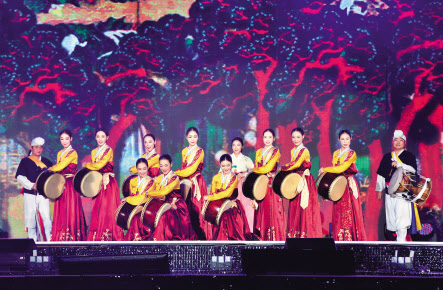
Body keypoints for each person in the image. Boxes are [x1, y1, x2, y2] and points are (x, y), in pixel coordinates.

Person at [319, 129, 366, 241]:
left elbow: (342, 168)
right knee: (338, 212)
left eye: (347, 139)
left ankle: (350, 239)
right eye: (342, 139)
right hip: (338, 184)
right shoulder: (336, 153)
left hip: (348, 185)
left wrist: (325, 169)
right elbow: (335, 170)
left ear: (350, 140)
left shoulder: (351, 153)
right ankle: (339, 238)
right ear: (339, 140)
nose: (345, 141)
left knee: (348, 212)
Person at [376, 130, 420, 242]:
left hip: (403, 194)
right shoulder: (387, 157)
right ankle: (398, 248)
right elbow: (381, 174)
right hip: (389, 194)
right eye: (396, 140)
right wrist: (379, 189)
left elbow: (413, 170)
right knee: (392, 222)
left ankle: (401, 250)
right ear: (393, 142)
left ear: (404, 143)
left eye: (401, 140)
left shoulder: (409, 156)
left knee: (402, 222)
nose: (398, 142)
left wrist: (399, 164)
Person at [281, 127, 322, 238]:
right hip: (295, 180)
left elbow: (296, 164)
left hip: (304, 181)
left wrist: (283, 168)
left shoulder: (304, 150)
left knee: (305, 208)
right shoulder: (293, 151)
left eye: (298, 137)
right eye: (293, 137)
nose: (295, 139)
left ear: (303, 137)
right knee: (295, 206)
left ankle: (306, 235)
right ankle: (295, 234)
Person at [85, 129, 123, 241]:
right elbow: (95, 169)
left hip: (108, 183)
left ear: (107, 137)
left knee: (107, 209)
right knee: (98, 208)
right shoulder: (93, 152)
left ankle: (109, 235)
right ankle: (97, 236)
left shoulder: (108, 150)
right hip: (98, 182)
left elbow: (99, 165)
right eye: (98, 136)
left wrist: (87, 165)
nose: (100, 139)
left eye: (103, 136)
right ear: (95, 138)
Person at [48, 129, 87, 241]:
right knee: (61, 209)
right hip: (60, 184)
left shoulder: (73, 153)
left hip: (70, 185)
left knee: (70, 209)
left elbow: (60, 167)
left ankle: (71, 237)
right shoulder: (59, 153)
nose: (64, 141)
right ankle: (60, 235)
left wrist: (48, 169)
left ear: (71, 139)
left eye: (66, 138)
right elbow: (58, 169)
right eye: (62, 139)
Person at [175, 127, 211, 240]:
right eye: (190, 137)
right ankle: (189, 235)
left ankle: (201, 236)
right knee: (186, 209)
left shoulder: (200, 151)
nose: (192, 139)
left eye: (195, 137)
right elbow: (184, 167)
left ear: (198, 137)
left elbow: (191, 170)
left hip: (197, 183)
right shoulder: (184, 151)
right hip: (186, 183)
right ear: (186, 138)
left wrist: (176, 173)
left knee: (196, 210)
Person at [149, 154, 197, 240]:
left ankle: (159, 240)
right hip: (163, 203)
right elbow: (158, 191)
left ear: (171, 164)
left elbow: (163, 192)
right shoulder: (160, 178)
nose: (163, 168)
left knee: (165, 217)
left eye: (166, 165)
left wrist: (149, 193)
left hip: (176, 205)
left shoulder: (174, 178)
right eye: (161, 166)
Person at [15, 137, 53, 241]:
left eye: (41, 147)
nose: (39, 149)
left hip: (43, 195)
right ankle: (33, 244)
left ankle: (49, 243)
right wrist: (31, 185)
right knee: (30, 219)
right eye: (36, 147)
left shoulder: (47, 162)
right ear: (31, 148)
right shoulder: (25, 161)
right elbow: (19, 176)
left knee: (47, 219)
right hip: (29, 194)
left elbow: (52, 178)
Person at [207, 154, 252, 240]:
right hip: (218, 205)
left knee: (226, 215)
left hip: (232, 204)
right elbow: (213, 192)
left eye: (228, 165)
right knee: (214, 214)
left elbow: (227, 194)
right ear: (220, 165)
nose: (226, 168)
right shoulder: (216, 177)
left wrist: (209, 197)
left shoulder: (233, 178)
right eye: (223, 166)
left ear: (231, 164)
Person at [252, 129, 286, 241]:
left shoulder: (276, 151)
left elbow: (269, 167)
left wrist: (255, 170)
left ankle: (273, 240)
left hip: (271, 184)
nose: (267, 140)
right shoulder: (258, 152)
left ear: (274, 139)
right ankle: (261, 238)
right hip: (260, 183)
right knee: (260, 209)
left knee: (272, 210)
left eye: (270, 137)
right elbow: (256, 167)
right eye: (265, 137)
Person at [123, 158, 156, 241]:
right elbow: (132, 195)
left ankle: (137, 239)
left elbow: (143, 198)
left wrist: (128, 199)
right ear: (137, 169)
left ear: (148, 168)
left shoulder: (151, 182)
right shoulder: (133, 181)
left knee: (136, 218)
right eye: (140, 169)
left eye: (144, 169)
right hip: (134, 205)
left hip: (146, 207)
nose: (142, 171)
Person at [230, 137, 255, 232]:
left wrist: (243, 174)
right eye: (234, 145)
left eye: (238, 145)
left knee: (246, 207)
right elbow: (221, 171)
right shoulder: (228, 158)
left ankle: (247, 230)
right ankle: (234, 230)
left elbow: (253, 172)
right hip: (232, 186)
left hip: (243, 186)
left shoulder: (246, 159)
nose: (236, 147)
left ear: (242, 146)